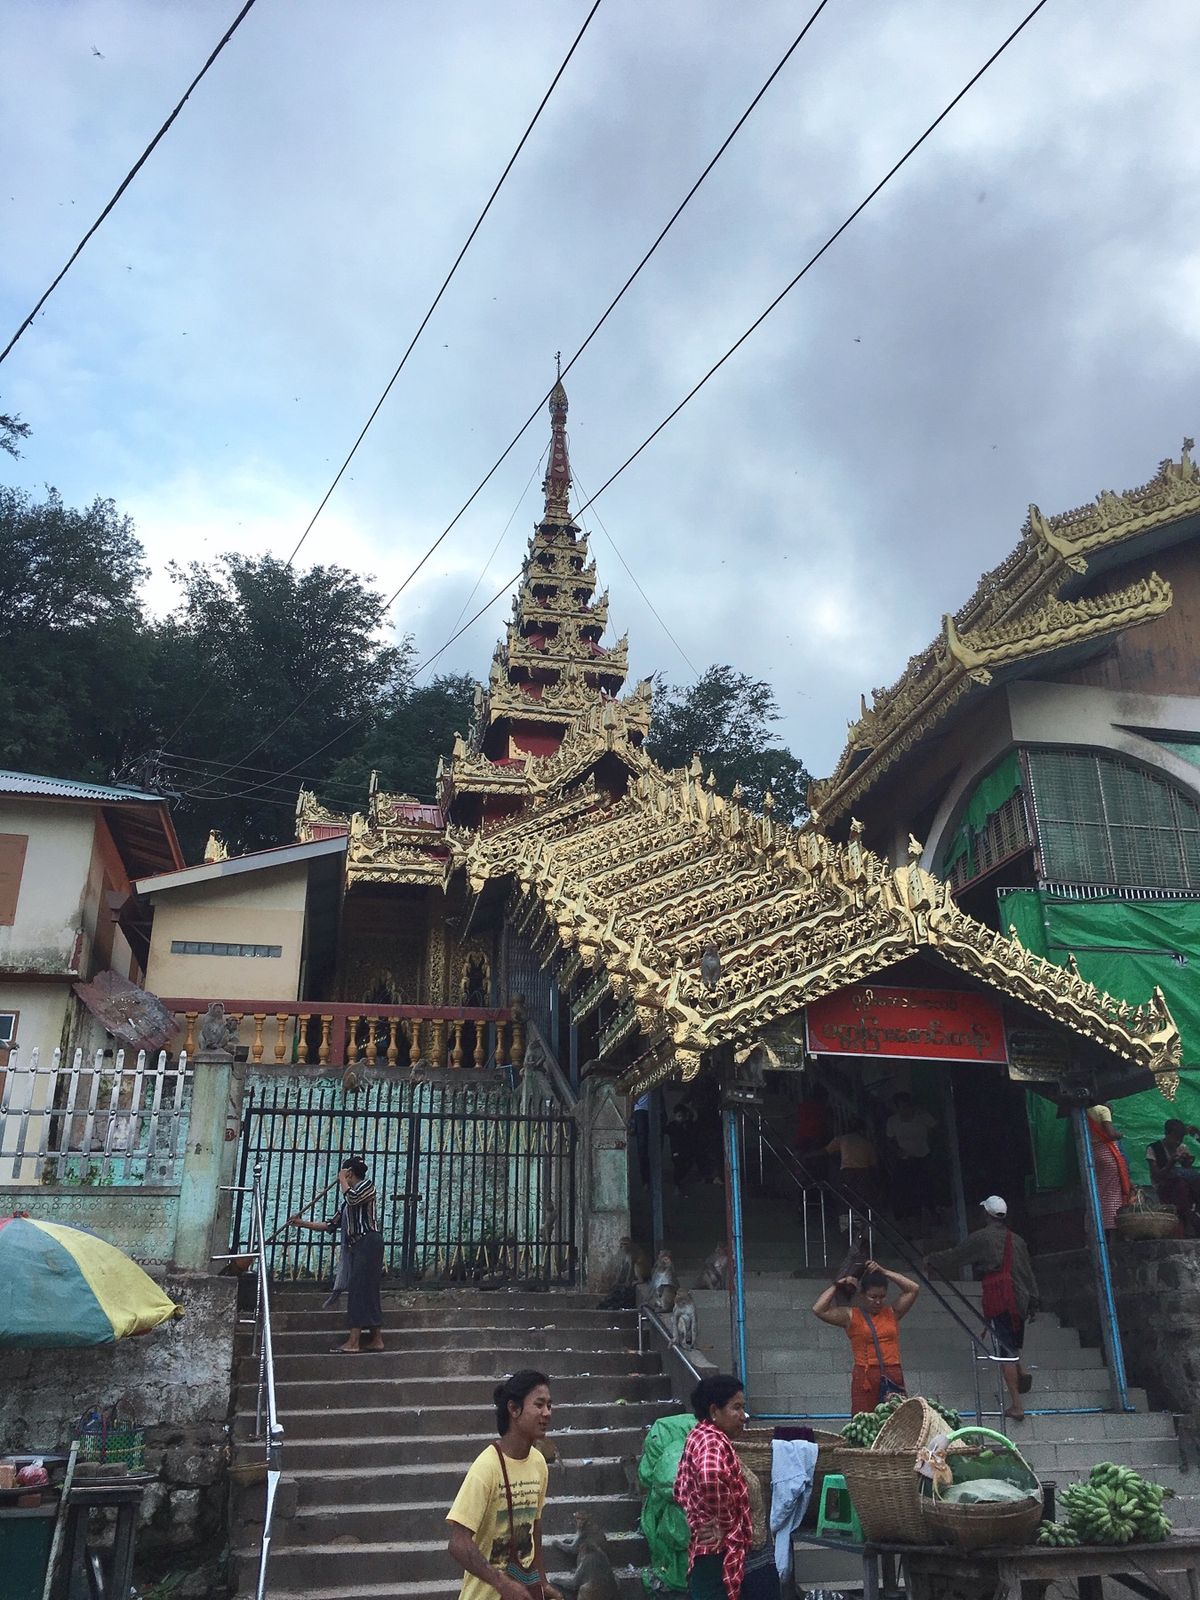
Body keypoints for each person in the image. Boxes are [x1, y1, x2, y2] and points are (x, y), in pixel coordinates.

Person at [446, 1369, 561, 1600]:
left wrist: (541, 1581)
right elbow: (457, 1543)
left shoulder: (538, 1463)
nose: (547, 1413)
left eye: (549, 1405)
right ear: (513, 1409)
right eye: (539, 1405)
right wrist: (503, 1585)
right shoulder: (486, 1467)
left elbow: (534, 1526)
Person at [927, 1196, 1039, 1421]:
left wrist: (932, 1259)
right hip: (1020, 1298)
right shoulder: (1017, 1240)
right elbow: (1028, 1270)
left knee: (1005, 1351)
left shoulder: (982, 1238)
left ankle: (1017, 1404)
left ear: (987, 1214)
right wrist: (1034, 1299)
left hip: (1000, 1297)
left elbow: (957, 1256)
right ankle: (1022, 1369)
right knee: (1013, 1340)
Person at [288, 1155, 384, 1352]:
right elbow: (330, 1225)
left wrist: (341, 1179)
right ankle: (376, 1339)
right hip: (358, 1245)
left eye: (345, 1174)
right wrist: (301, 1223)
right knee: (365, 1290)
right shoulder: (347, 1204)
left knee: (360, 1290)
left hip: (369, 1242)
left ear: (349, 1173)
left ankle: (354, 1342)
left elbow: (353, 1198)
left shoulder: (366, 1187)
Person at [674, 1374, 754, 1599]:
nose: (742, 1416)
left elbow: (680, 1489)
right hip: (715, 1553)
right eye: (735, 1408)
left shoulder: (698, 1435)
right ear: (714, 1411)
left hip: (704, 1551)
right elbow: (711, 1475)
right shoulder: (712, 1441)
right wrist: (723, 1523)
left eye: (743, 1408)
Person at [811, 1260, 920, 1415]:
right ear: (862, 1295)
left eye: (882, 1297)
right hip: (865, 1376)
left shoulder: (892, 1313)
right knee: (864, 1419)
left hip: (892, 1372)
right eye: (872, 1296)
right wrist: (837, 1285)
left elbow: (913, 1289)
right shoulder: (851, 1316)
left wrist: (884, 1271)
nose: (877, 1301)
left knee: (897, 1420)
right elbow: (818, 1309)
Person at [885, 1093, 937, 1224]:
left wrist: (928, 1144)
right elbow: (889, 1140)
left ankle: (932, 1212)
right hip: (905, 1159)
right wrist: (898, 1151)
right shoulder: (892, 1121)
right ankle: (912, 1216)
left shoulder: (922, 1116)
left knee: (927, 1186)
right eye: (902, 1107)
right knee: (907, 1189)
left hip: (923, 1156)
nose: (905, 1109)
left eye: (907, 1106)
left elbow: (934, 1131)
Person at [1147, 1119, 1200, 1232]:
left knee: (1187, 1181)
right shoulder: (1154, 1148)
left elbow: (1187, 1170)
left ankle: (1194, 1212)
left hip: (1180, 1185)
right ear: (1167, 1134)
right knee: (1182, 1183)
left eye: (1181, 1138)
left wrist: (1187, 1162)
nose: (1178, 1142)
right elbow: (1157, 1176)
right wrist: (1170, 1163)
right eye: (1176, 1138)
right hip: (1163, 1186)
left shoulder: (1182, 1147)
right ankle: (1191, 1217)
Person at [1088, 1104, 1134, 1232]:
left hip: (1093, 1153)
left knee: (1100, 1191)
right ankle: (1113, 1225)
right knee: (1113, 1192)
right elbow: (1111, 1134)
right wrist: (1121, 1134)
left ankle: (1100, 1224)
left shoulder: (1084, 1110)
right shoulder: (1103, 1110)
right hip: (1107, 1153)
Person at [824, 1121, 881, 1214]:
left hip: (847, 1172)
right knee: (861, 1201)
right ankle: (860, 1224)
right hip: (863, 1174)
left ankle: (846, 1225)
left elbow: (826, 1151)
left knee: (845, 1201)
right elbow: (874, 1165)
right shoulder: (867, 1143)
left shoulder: (843, 1139)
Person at [666, 1103, 698, 1192]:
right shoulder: (672, 1125)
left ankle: (680, 1184)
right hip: (676, 1152)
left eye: (682, 1116)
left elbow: (693, 1118)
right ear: (675, 1116)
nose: (680, 1118)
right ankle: (677, 1184)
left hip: (687, 1152)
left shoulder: (687, 1125)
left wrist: (689, 1112)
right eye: (678, 1116)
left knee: (687, 1166)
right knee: (678, 1167)